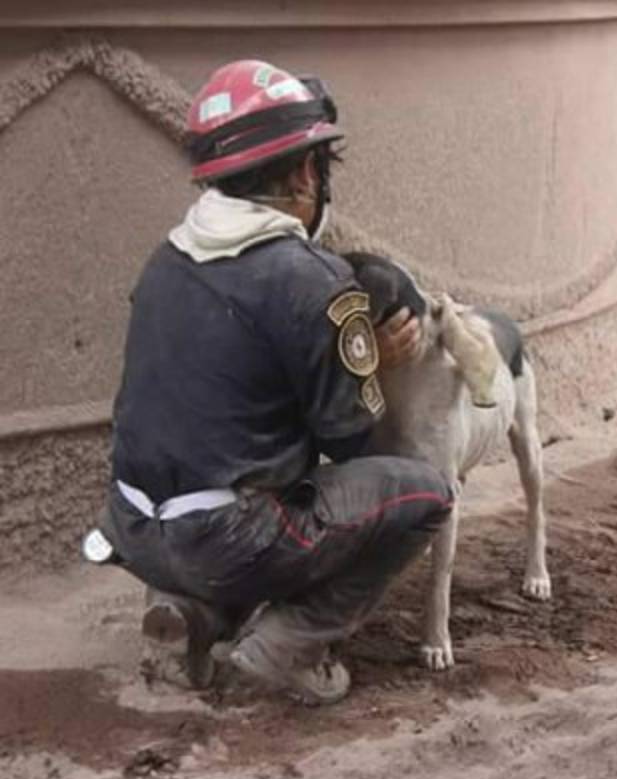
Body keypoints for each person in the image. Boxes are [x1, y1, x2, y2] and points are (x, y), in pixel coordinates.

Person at [100, 60, 453, 705]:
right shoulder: (309, 278)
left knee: (243, 491)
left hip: (131, 528)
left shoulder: (166, 259)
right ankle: (288, 645)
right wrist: (372, 360)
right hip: (221, 539)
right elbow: (349, 440)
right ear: (300, 173)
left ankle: (194, 614)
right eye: (318, 168)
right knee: (425, 496)